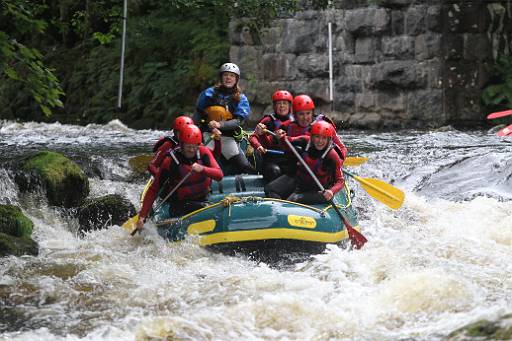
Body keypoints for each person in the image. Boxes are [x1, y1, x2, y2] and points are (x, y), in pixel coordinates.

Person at [135, 124, 223, 231]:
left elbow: (219, 175)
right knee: (205, 210)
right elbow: (154, 189)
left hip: (203, 198)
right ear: (181, 145)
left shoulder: (203, 151)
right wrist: (142, 217)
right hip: (180, 205)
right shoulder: (170, 161)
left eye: (194, 146)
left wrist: (203, 169)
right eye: (188, 146)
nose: (191, 150)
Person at [193, 62, 255, 174]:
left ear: (236, 79)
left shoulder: (240, 98)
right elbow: (198, 115)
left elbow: (238, 121)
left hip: (227, 138)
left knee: (244, 166)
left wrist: (220, 124)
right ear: (221, 77)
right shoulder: (208, 94)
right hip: (209, 134)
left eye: (232, 76)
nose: (228, 78)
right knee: (202, 161)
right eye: (225, 75)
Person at [265, 120, 345, 205]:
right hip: (301, 184)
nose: (320, 141)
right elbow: (289, 140)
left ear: (329, 139)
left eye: (324, 138)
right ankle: (279, 210)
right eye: (317, 137)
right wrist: (281, 136)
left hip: (319, 191)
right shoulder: (306, 141)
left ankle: (286, 207)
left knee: (293, 200)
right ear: (312, 137)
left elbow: (340, 180)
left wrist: (332, 191)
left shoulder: (332, 155)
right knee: (269, 189)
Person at [278, 94, 348, 162]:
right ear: (295, 115)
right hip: (296, 162)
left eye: (308, 113)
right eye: (301, 114)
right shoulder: (287, 126)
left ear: (312, 113)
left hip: (321, 163)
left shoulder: (325, 125)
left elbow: (342, 148)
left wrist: (338, 162)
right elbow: (274, 142)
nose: (305, 118)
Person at [249, 90, 293, 181]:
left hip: (289, 158)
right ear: (274, 106)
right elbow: (253, 137)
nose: (282, 106)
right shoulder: (268, 120)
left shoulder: (295, 122)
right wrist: (258, 146)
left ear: (290, 106)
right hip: (271, 159)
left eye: (284, 103)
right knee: (274, 171)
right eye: (279, 103)